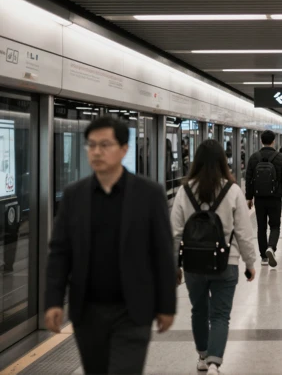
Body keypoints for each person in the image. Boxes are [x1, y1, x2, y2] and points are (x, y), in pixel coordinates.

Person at [45, 116, 175, 374]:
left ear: (124, 149)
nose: (96, 152)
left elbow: (162, 252)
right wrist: (53, 301)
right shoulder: (74, 195)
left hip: (133, 311)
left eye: (105, 145)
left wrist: (166, 305)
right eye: (91, 145)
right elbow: (60, 253)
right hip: (87, 312)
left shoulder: (149, 194)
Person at [171, 140, 258, 375]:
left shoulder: (184, 191)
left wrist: (174, 265)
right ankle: (214, 363)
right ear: (223, 161)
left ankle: (202, 356)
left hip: (193, 264)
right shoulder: (233, 191)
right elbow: (243, 232)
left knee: (198, 311)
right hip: (226, 262)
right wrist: (250, 263)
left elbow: (175, 232)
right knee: (220, 315)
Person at [246, 130, 282, 268]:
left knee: (261, 227)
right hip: (275, 197)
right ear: (274, 141)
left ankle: (264, 257)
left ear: (261, 141)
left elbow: (249, 179)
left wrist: (249, 197)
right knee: (275, 226)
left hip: (259, 198)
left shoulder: (254, 157)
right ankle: (271, 247)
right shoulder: (281, 158)